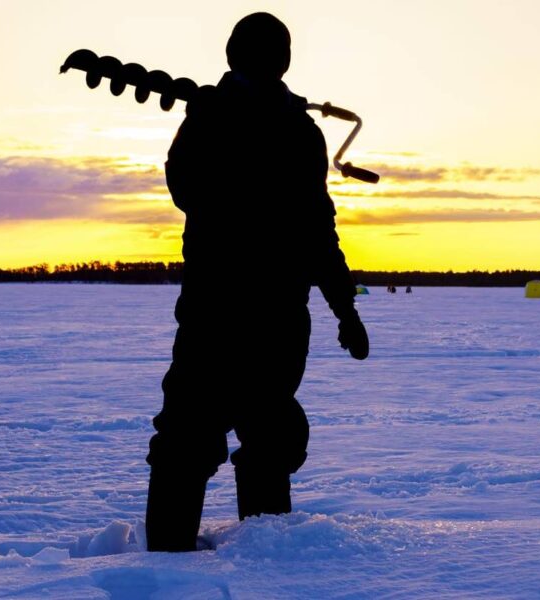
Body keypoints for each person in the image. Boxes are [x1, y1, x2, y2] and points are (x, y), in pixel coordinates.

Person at [144, 12, 369, 552]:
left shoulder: (299, 131)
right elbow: (187, 187)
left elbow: (319, 230)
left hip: (271, 318)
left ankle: (265, 563)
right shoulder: (213, 117)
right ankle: (168, 566)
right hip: (218, 312)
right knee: (187, 438)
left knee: (267, 437)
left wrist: (346, 307)